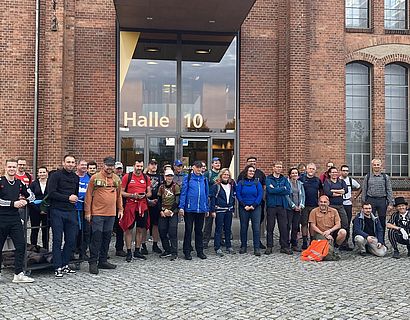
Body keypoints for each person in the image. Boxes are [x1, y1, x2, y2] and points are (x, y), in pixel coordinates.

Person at [85, 157, 123, 274]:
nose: (110, 168)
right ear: (103, 165)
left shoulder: (116, 179)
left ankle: (103, 260)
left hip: (111, 214)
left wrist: (120, 209)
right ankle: (93, 262)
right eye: (108, 165)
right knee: (96, 238)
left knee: (107, 238)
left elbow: (119, 195)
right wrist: (88, 212)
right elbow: (88, 195)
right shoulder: (95, 178)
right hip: (97, 213)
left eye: (111, 166)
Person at [0, 159, 35, 283]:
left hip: (15, 219)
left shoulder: (19, 183)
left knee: (20, 245)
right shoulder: (1, 182)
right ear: (5, 167)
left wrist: (26, 201)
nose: (12, 169)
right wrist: (12, 203)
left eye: (14, 167)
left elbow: (31, 195)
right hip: (1, 218)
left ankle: (18, 274)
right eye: (10, 166)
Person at [47, 154, 80, 278]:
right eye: (68, 162)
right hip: (57, 211)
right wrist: (67, 198)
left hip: (71, 211)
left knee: (71, 240)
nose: (71, 164)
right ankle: (57, 266)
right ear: (63, 163)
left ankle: (65, 263)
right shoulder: (55, 176)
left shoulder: (76, 177)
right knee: (57, 240)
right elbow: (51, 193)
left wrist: (73, 198)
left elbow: (75, 193)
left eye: (72, 162)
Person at [120, 160, 151, 262]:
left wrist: (144, 195)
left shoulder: (146, 178)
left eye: (141, 166)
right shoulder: (127, 177)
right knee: (128, 229)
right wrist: (132, 195)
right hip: (130, 206)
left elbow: (149, 192)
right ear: (134, 166)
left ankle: (137, 250)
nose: (139, 168)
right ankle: (128, 251)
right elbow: (121, 192)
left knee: (140, 229)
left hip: (142, 206)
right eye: (137, 166)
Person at [179, 160, 209, 260]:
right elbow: (183, 193)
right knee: (188, 230)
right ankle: (187, 251)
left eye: (200, 168)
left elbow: (206, 194)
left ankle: (200, 251)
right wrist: (181, 207)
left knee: (199, 231)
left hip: (201, 209)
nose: (199, 169)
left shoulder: (204, 179)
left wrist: (206, 208)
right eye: (197, 167)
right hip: (189, 208)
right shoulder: (188, 178)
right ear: (193, 167)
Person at [237, 156, 267, 249]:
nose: (252, 173)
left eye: (253, 171)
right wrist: (244, 205)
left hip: (256, 207)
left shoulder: (257, 182)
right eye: (250, 171)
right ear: (246, 171)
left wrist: (254, 205)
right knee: (243, 227)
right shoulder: (241, 180)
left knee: (256, 227)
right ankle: (243, 246)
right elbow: (238, 194)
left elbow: (260, 193)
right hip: (243, 207)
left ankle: (256, 247)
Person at [362, 158, 394, 240]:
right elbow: (364, 190)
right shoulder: (367, 176)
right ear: (372, 166)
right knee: (369, 220)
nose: (376, 166)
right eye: (375, 165)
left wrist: (391, 203)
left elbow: (389, 190)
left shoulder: (385, 177)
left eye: (378, 164)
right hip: (370, 200)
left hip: (382, 201)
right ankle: (370, 240)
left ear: (381, 166)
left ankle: (381, 240)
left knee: (382, 220)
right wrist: (364, 203)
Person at [265, 161, 292, 255]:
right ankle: (269, 246)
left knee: (283, 227)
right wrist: (282, 188)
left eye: (280, 167)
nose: (279, 168)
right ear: (273, 168)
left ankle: (284, 246)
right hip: (271, 205)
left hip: (282, 205)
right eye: (277, 166)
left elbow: (288, 191)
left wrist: (276, 189)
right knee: (270, 227)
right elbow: (270, 190)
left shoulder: (284, 179)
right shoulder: (268, 178)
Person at [209, 168, 236, 256]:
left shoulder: (231, 185)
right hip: (219, 210)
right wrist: (212, 210)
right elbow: (212, 198)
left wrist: (233, 209)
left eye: (227, 175)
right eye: (224, 174)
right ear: (221, 175)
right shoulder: (216, 186)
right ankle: (217, 247)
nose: (226, 176)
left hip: (229, 210)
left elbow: (233, 197)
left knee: (228, 229)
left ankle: (228, 246)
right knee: (219, 229)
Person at [157, 168, 180, 261]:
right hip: (163, 211)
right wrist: (162, 210)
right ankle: (167, 249)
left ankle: (174, 252)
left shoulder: (176, 186)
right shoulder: (161, 187)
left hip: (173, 212)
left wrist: (170, 211)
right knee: (162, 230)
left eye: (171, 176)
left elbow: (177, 201)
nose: (169, 177)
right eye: (167, 176)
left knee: (172, 231)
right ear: (164, 176)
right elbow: (158, 200)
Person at [299, 163, 323, 249]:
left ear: (315, 170)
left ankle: (312, 241)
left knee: (312, 224)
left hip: (314, 205)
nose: (311, 170)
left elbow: (321, 191)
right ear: (306, 169)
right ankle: (305, 241)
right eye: (310, 169)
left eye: (313, 169)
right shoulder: (301, 179)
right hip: (304, 205)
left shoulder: (317, 180)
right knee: (304, 223)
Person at [143, 159, 163, 255]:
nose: (154, 166)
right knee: (144, 225)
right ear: (148, 165)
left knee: (155, 225)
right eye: (152, 164)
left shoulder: (160, 177)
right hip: (145, 203)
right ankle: (143, 245)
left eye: (155, 164)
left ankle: (155, 244)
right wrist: (148, 200)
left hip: (156, 203)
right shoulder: (144, 176)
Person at [340, 164, 360, 250]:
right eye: (343, 170)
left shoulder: (351, 180)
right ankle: (339, 242)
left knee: (347, 223)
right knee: (339, 223)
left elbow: (360, 187)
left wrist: (354, 197)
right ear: (340, 171)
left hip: (348, 204)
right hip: (339, 204)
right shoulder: (337, 180)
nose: (345, 172)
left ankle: (345, 242)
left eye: (346, 171)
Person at [28, 166, 49, 249]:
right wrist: (39, 210)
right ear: (38, 174)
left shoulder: (51, 183)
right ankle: (33, 249)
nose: (42, 174)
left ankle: (46, 250)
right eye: (40, 172)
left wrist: (45, 209)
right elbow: (30, 198)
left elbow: (52, 196)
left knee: (46, 231)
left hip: (47, 210)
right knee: (34, 230)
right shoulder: (33, 184)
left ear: (47, 173)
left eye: (44, 172)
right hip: (35, 210)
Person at [323, 166, 349, 234]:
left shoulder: (341, 181)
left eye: (336, 172)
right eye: (333, 172)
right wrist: (340, 192)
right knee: (331, 223)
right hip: (331, 206)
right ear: (329, 174)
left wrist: (333, 191)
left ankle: (343, 240)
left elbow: (345, 190)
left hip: (340, 206)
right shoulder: (327, 182)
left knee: (344, 222)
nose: (334, 174)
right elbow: (327, 192)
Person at [203, 157, 221, 249]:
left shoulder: (222, 174)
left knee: (220, 222)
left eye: (219, 163)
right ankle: (205, 241)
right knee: (208, 222)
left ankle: (221, 240)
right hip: (210, 200)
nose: (218, 164)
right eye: (216, 163)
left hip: (220, 200)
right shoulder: (208, 174)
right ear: (212, 164)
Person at [75, 159, 91, 260]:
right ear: (77, 166)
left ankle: (83, 251)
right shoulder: (74, 177)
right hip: (75, 208)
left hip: (86, 208)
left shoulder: (90, 178)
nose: (84, 167)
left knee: (86, 231)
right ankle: (74, 250)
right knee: (76, 231)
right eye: (82, 165)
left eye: (85, 165)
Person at [286, 167, 305, 252]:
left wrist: (301, 205)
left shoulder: (300, 184)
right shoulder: (287, 183)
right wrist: (293, 206)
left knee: (295, 227)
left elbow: (303, 195)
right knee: (287, 226)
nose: (294, 174)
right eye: (293, 173)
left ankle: (294, 244)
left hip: (298, 208)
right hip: (289, 208)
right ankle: (286, 244)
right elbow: (286, 196)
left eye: (296, 173)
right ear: (290, 175)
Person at [113, 161, 126, 257]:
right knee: (107, 229)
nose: (119, 170)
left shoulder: (125, 178)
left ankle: (119, 248)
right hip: (110, 206)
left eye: (120, 168)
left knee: (120, 228)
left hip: (122, 206)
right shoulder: (110, 178)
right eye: (117, 168)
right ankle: (102, 250)